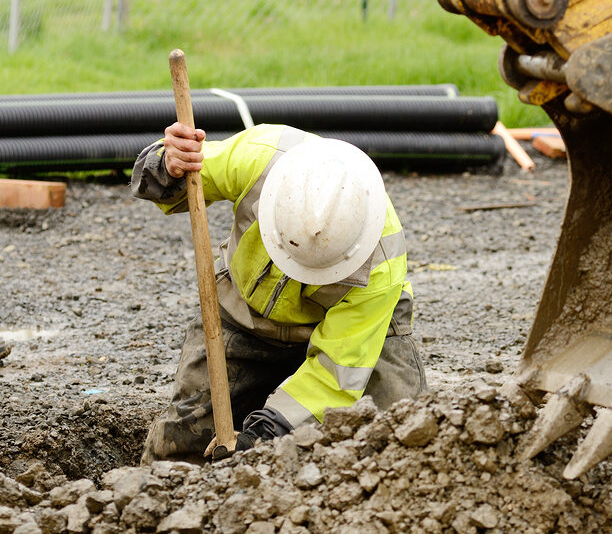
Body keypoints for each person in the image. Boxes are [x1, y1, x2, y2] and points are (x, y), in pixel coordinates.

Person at [131, 121, 426, 463]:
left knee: (401, 442)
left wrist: (260, 438)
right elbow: (185, 180)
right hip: (245, 314)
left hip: (357, 337)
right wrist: (169, 165)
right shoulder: (260, 158)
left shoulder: (381, 264)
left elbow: (336, 376)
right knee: (181, 448)